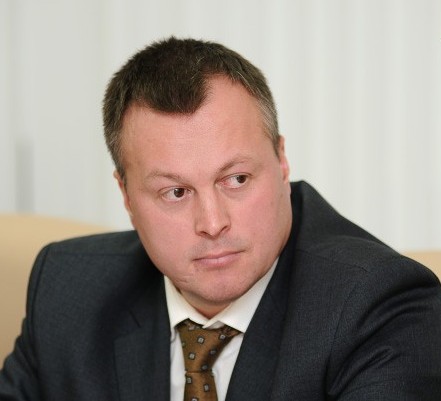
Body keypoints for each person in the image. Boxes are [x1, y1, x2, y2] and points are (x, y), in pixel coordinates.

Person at [1, 37, 440, 401]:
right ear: (126, 196)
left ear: (281, 161)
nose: (212, 223)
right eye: (175, 192)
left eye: (237, 179)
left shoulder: (379, 305)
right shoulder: (66, 289)